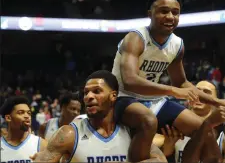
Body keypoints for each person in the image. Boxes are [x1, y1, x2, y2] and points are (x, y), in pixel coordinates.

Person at [111, 0, 225, 161]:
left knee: (204, 130)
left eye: (175, 12)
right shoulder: (136, 38)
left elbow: (182, 83)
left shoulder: (177, 45)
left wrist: (217, 101)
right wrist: (173, 91)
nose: (170, 17)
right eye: (163, 11)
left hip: (154, 100)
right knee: (148, 121)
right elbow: (129, 81)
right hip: (123, 98)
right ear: (150, 14)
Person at [31, 70, 167, 163]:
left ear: (113, 96)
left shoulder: (130, 132)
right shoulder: (69, 134)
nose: (89, 97)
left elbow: (160, 160)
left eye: (97, 91)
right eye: (86, 93)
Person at [153, 80, 220, 163]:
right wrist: (167, 148)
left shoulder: (223, 127)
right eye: (197, 91)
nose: (199, 95)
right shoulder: (174, 121)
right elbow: (152, 147)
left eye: (206, 92)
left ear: (215, 99)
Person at [0, 96, 47, 163]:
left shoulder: (41, 144)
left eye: (29, 113)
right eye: (21, 112)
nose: (27, 116)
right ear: (8, 118)